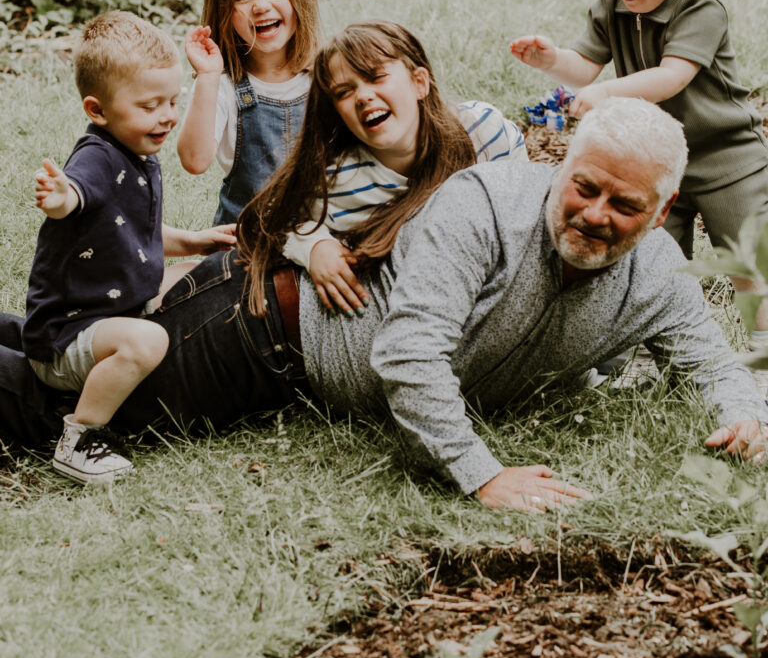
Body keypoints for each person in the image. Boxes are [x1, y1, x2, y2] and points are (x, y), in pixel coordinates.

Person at [3, 100, 766, 509]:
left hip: (286, 359)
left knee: (62, 359)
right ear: (562, 165)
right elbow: (407, 354)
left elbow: (713, 364)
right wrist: (482, 474)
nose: (594, 213)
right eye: (584, 187)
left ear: (666, 207)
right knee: (59, 403)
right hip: (259, 323)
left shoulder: (661, 277)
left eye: (624, 205)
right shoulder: (487, 206)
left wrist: (745, 417)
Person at [510, 0, 768, 349]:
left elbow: (673, 76)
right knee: (653, 259)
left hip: (724, 154)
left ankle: (764, 344)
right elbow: (584, 67)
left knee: (744, 258)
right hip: (651, 160)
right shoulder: (613, 2)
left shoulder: (702, 7)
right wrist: (550, 60)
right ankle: (660, 347)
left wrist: (611, 96)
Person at [23, 12, 236, 485]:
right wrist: (61, 199)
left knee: (196, 275)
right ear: (98, 111)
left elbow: (136, 232)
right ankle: (80, 437)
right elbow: (76, 196)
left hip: (107, 310)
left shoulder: (136, 153)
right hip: (66, 336)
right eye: (148, 106)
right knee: (149, 341)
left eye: (171, 101)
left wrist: (196, 241)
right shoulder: (97, 157)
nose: (166, 116)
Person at [241, 21, 528, 315]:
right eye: (343, 92)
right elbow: (274, 219)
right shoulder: (340, 183)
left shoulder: (485, 133)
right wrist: (315, 247)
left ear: (420, 82)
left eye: (376, 77)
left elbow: (526, 220)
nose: (363, 96)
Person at [176, 0, 321, 224]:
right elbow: (194, 160)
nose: (262, 6)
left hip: (319, 244)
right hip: (245, 253)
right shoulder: (225, 88)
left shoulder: (326, 78)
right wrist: (207, 77)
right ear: (223, 10)